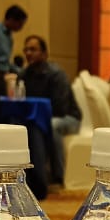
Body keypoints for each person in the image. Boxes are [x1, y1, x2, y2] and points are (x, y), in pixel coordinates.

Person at [20, 35, 82, 185]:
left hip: (68, 118)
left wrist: (40, 119)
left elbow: (60, 108)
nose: (28, 53)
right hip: (41, 117)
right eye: (26, 50)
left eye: (33, 49)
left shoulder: (57, 75)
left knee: (52, 125)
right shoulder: (25, 75)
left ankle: (58, 176)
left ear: (44, 53)